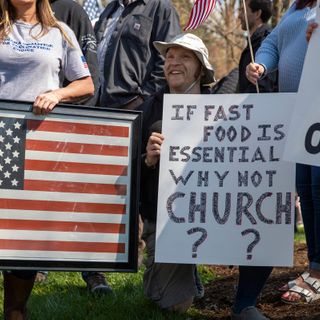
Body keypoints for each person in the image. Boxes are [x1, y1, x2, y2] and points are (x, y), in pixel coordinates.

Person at [0, 0, 94, 317]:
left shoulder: (60, 33)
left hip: (39, 149)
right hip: (0, 141)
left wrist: (57, 94)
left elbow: (86, 83)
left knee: (23, 236)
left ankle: (15, 310)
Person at [82, 0, 181, 294]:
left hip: (135, 112)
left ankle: (177, 268)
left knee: (134, 191)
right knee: (101, 192)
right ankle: (95, 271)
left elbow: (170, 60)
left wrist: (145, 103)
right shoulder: (110, 9)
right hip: (100, 113)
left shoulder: (160, 8)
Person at [246, 0, 320, 305]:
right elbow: (275, 42)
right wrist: (261, 64)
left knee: (318, 187)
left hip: (318, 108)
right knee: (305, 187)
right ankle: (315, 265)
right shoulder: (294, 6)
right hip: (297, 114)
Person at [138, 33, 214, 313]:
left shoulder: (221, 109)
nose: (174, 62)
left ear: (200, 67)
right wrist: (147, 159)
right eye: (170, 56)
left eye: (184, 56)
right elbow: (131, 170)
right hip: (163, 218)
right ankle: (169, 275)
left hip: (212, 215)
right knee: (175, 307)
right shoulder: (149, 107)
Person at [231, 1, 277, 319]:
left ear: (257, 12)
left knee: (265, 214)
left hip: (266, 141)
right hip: (247, 139)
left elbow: (268, 90)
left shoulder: (264, 41)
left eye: (243, 8)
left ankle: (246, 300)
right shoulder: (251, 44)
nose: (238, 13)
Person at [94, 0, 181, 109]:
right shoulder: (111, 7)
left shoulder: (162, 7)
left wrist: (144, 100)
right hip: (98, 105)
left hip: (132, 107)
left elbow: (170, 60)